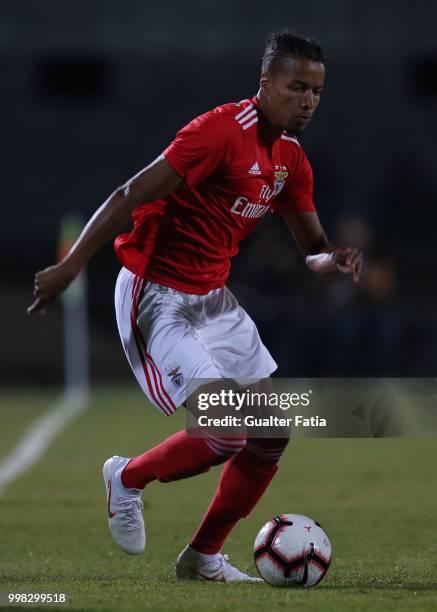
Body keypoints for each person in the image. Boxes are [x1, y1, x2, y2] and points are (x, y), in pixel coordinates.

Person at [28, 31, 363, 582]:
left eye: (317, 91)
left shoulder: (291, 161)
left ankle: (201, 557)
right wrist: (72, 266)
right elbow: (128, 194)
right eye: (296, 86)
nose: (308, 100)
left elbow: (313, 250)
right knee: (226, 432)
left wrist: (335, 262)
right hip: (155, 294)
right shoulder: (218, 132)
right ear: (266, 84)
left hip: (214, 299)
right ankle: (127, 478)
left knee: (272, 431)